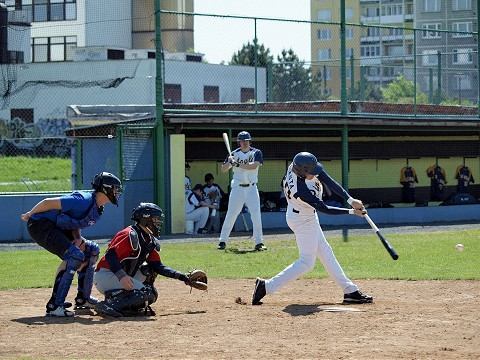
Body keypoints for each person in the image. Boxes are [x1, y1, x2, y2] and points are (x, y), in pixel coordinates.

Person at [252, 152, 373, 306]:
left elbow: (327, 179)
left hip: (306, 215)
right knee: (306, 262)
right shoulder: (300, 190)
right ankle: (266, 286)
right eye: (311, 172)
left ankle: (350, 291)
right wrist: (351, 212)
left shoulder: (297, 165)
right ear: (302, 171)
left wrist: (350, 200)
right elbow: (325, 208)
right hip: (302, 220)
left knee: (326, 252)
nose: (315, 174)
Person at [20, 172, 122, 317]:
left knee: (91, 250)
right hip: (40, 225)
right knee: (74, 255)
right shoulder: (83, 199)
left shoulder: (97, 208)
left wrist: (78, 237)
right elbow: (48, 202)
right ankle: (54, 306)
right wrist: (29, 214)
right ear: (105, 189)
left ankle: (83, 299)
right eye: (114, 189)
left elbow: (74, 219)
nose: (116, 192)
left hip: (57, 226)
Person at [94, 203, 196, 317]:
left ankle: (123, 304)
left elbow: (157, 266)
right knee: (146, 293)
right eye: (155, 219)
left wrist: (183, 277)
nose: (158, 222)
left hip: (119, 275)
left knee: (149, 276)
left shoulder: (149, 239)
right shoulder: (129, 234)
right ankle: (109, 305)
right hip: (105, 275)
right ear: (145, 219)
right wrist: (121, 276)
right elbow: (110, 255)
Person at [217, 131, 266, 251]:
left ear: (249, 141)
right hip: (237, 188)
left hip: (252, 188)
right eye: (242, 141)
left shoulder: (256, 152)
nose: (244, 143)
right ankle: (222, 241)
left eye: (246, 141)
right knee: (231, 214)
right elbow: (223, 169)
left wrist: (237, 164)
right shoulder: (234, 154)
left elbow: (254, 165)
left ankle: (259, 242)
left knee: (255, 215)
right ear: (239, 142)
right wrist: (229, 162)